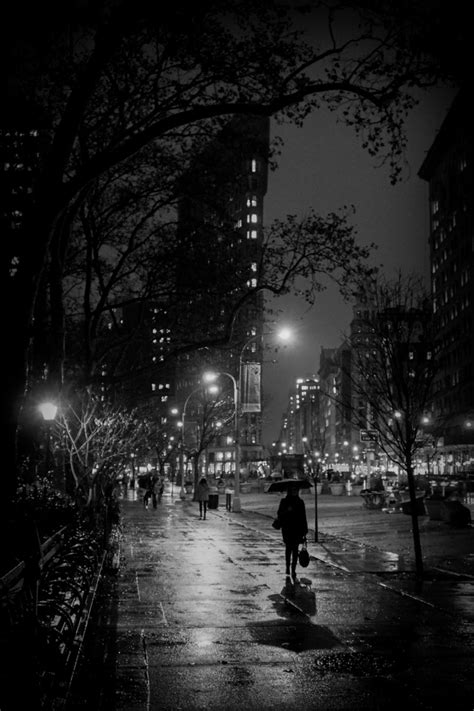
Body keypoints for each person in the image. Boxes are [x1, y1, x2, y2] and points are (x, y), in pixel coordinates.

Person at [275, 484, 308, 582]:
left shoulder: (300, 502)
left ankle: (293, 569)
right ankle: (287, 567)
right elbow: (279, 513)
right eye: (293, 490)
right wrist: (287, 511)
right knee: (288, 549)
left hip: (297, 529)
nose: (295, 492)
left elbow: (303, 517)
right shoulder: (284, 501)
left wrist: (305, 530)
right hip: (287, 528)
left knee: (295, 550)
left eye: (296, 490)